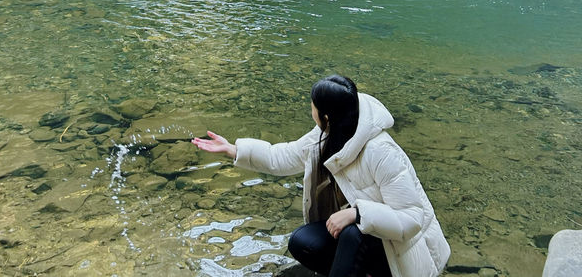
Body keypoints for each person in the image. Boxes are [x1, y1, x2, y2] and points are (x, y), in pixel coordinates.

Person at [192, 74, 450, 277]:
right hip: (372, 241)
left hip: (403, 253)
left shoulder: (380, 151)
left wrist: (357, 213)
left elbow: (413, 217)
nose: (310, 110)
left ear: (326, 116)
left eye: (312, 107)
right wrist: (234, 150)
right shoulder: (327, 133)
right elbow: (282, 156)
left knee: (352, 233)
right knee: (303, 242)